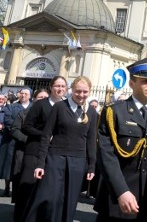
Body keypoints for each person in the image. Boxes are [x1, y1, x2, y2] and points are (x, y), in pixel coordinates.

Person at [95, 58, 147, 222]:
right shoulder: (114, 112)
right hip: (119, 198)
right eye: (145, 81)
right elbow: (107, 156)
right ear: (131, 83)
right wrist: (121, 191)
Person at [24, 76, 98, 222]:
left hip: (78, 161)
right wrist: (40, 163)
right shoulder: (59, 107)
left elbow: (91, 141)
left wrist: (91, 167)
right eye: (78, 91)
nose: (81, 95)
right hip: (55, 158)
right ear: (71, 90)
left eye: (85, 92)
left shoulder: (92, 112)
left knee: (69, 201)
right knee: (49, 199)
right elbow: (46, 135)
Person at [15, 76, 67, 221]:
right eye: (57, 85)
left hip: (55, 153)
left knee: (45, 189)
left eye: (63, 86)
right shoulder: (40, 105)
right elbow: (26, 127)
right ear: (51, 87)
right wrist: (45, 135)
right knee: (28, 187)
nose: (60, 89)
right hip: (35, 150)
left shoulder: (67, 106)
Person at [10, 89, 48, 207]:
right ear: (34, 99)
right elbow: (15, 130)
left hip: (42, 151)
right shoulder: (24, 113)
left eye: (45, 98)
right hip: (24, 149)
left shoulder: (51, 113)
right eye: (40, 97)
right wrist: (28, 140)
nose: (43, 100)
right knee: (21, 178)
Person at [0, 87, 32, 197]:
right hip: (12, 139)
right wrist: (18, 128)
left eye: (26, 93)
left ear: (30, 96)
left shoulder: (34, 107)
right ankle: (7, 187)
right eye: (22, 93)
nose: (23, 95)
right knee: (9, 164)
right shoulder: (11, 106)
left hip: (26, 139)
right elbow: (7, 120)